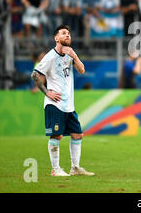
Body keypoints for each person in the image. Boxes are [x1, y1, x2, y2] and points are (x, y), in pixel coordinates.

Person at [31, 25, 94, 177]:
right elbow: (35, 74)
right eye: (64, 33)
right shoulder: (50, 56)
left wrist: (75, 55)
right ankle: (55, 169)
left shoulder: (69, 54)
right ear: (56, 38)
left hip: (68, 105)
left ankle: (75, 167)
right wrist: (47, 92)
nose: (67, 35)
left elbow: (82, 70)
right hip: (55, 104)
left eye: (69, 33)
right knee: (57, 136)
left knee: (77, 134)